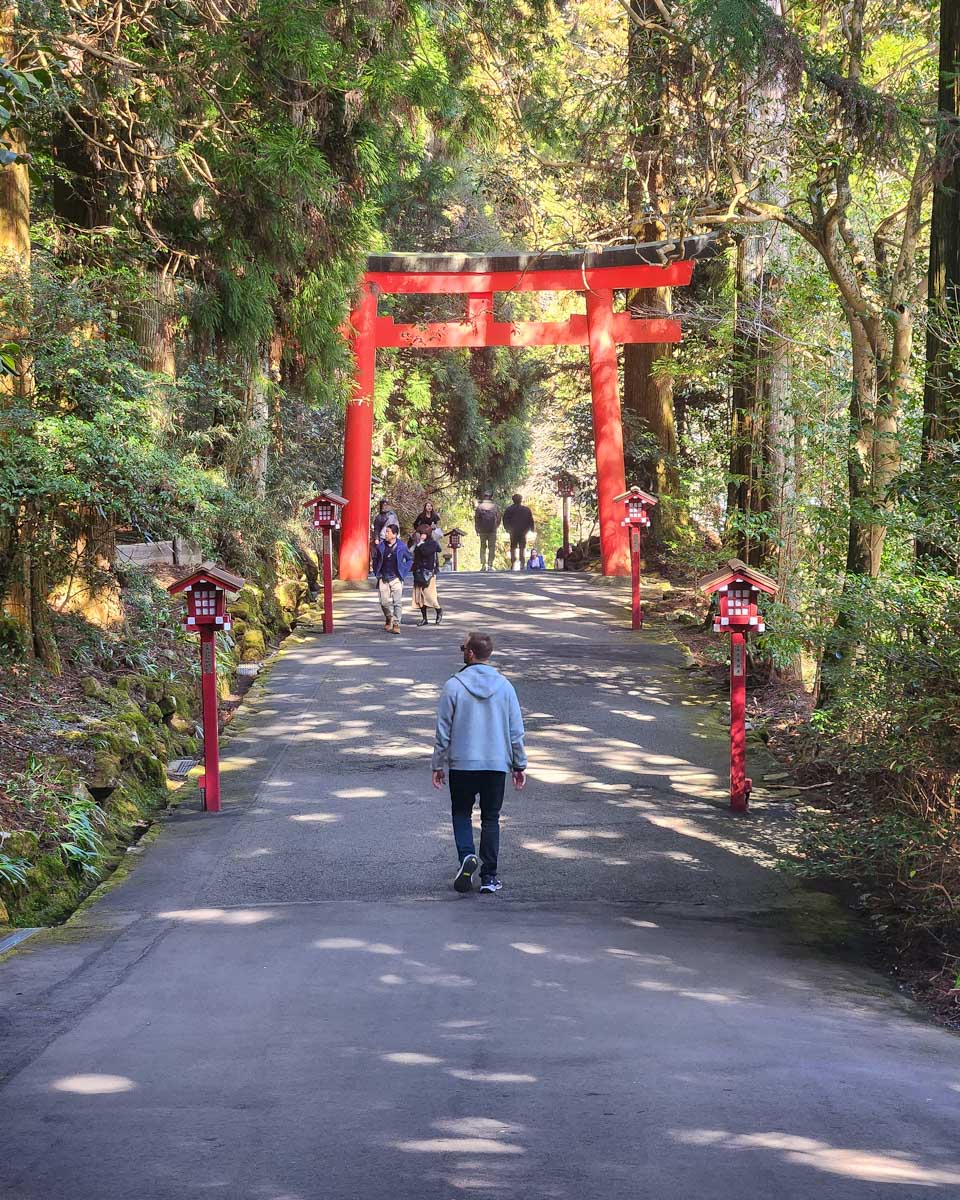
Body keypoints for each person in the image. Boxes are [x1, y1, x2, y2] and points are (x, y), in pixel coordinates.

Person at [432, 631, 527, 895]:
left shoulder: (453, 686)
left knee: (461, 813)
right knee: (491, 818)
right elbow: (516, 731)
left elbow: (443, 731)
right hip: (495, 764)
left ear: (470, 653)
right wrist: (519, 765)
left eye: (463, 647)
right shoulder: (505, 687)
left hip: (462, 763)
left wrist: (438, 764)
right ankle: (489, 877)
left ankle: (466, 856)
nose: (462, 650)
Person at [372, 522, 412, 634]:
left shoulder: (402, 546)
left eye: (388, 532)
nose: (386, 534)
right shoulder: (381, 546)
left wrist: (404, 570)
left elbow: (409, 559)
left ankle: (396, 623)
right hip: (383, 577)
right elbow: (375, 559)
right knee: (384, 603)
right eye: (386, 531)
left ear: (394, 534)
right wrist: (376, 572)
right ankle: (389, 617)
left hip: (396, 578)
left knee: (397, 602)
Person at [412, 522, 443, 625]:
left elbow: (426, 552)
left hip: (428, 573)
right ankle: (424, 618)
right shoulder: (418, 544)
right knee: (420, 596)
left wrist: (420, 544)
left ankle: (438, 610)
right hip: (418, 572)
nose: (421, 536)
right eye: (420, 534)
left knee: (429, 595)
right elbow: (415, 556)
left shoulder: (432, 543)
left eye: (422, 533)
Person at [502, 493, 535, 571]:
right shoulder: (526, 509)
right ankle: (522, 563)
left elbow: (505, 520)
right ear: (521, 500)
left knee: (513, 547)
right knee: (522, 547)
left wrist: (508, 529)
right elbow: (530, 520)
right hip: (523, 531)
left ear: (513, 500)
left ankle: (513, 563)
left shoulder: (509, 509)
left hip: (513, 532)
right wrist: (531, 529)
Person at [473, 490, 500, 572]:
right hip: (492, 530)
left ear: (484, 497)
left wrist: (477, 529)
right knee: (492, 547)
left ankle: (483, 565)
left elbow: (476, 519)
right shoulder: (495, 507)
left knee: (483, 547)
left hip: (482, 530)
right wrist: (496, 527)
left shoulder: (480, 507)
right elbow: (499, 518)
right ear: (491, 497)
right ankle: (490, 565)